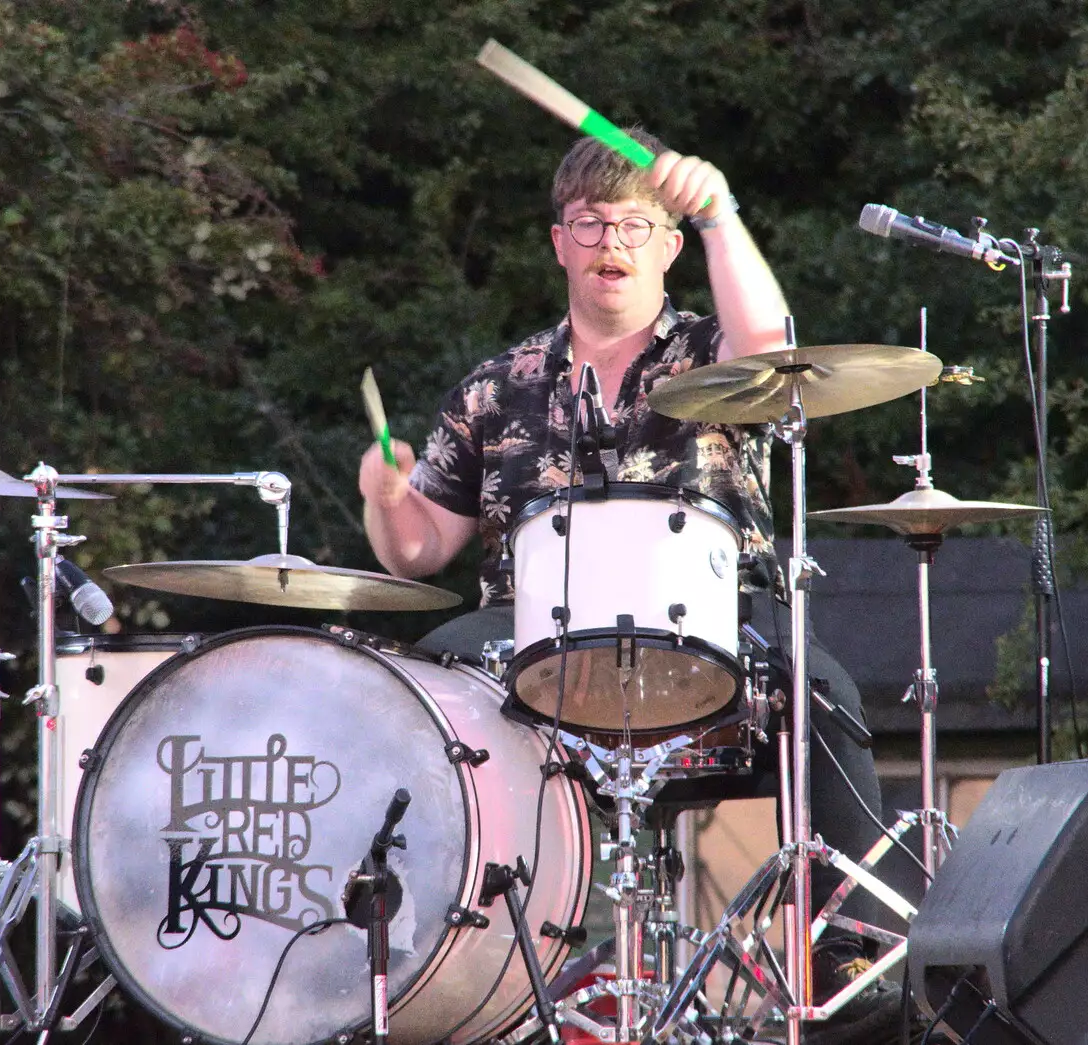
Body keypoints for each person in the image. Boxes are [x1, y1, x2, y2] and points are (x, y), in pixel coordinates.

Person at [356, 129, 906, 1043]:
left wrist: (721, 209)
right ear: (558, 243)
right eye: (589, 223)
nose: (611, 241)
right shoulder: (495, 388)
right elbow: (416, 550)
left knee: (819, 686)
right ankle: (426, 958)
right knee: (420, 684)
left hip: (714, 626)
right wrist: (384, 497)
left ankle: (848, 958)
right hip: (528, 641)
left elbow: (772, 341)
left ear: (669, 244)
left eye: (633, 224)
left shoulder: (717, 355)